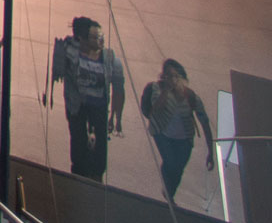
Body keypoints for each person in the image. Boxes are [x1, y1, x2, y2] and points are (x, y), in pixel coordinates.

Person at [47, 16, 125, 181]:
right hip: (77, 106)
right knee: (78, 140)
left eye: (100, 37)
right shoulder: (69, 52)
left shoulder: (110, 59)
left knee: (100, 146)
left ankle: (96, 175)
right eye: (94, 37)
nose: (99, 41)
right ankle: (79, 175)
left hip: (99, 107)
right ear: (82, 39)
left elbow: (118, 89)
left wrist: (115, 117)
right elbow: (58, 71)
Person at [140, 58, 216, 198]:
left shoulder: (191, 97)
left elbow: (204, 123)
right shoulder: (157, 89)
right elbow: (154, 111)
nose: (173, 80)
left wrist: (211, 152)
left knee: (178, 169)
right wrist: (166, 92)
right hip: (162, 134)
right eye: (168, 76)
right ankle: (169, 196)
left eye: (176, 77)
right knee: (170, 163)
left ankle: (169, 194)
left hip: (184, 140)